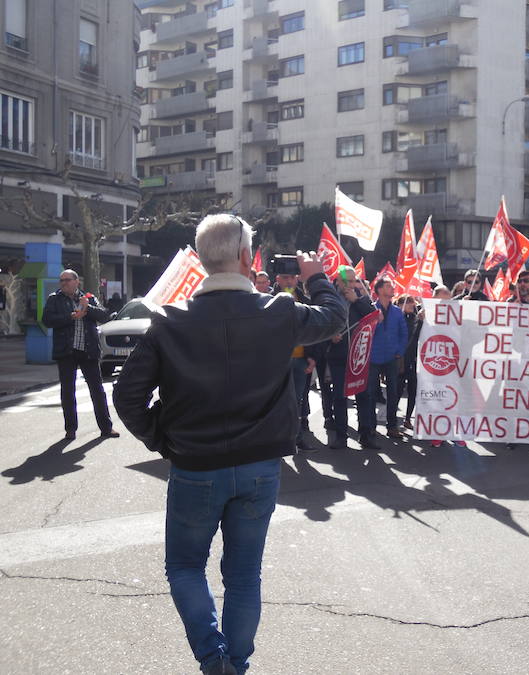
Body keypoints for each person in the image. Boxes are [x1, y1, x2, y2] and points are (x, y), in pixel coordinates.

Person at [113, 215, 345, 675]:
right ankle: (233, 665)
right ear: (245, 257)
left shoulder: (170, 320)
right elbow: (336, 318)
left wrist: (163, 437)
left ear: (201, 259)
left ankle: (212, 659)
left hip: (195, 466)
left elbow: (127, 396)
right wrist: (315, 276)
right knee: (242, 576)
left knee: (184, 567)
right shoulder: (278, 311)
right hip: (260, 467)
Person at [41, 269, 119, 440]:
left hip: (88, 350)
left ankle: (106, 428)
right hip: (66, 351)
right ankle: (70, 429)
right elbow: (47, 320)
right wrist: (71, 316)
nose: (64, 283)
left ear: (77, 282)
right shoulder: (54, 299)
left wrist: (87, 308)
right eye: (61, 280)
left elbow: (104, 316)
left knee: (97, 390)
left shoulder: (88, 297)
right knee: (68, 391)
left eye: (67, 280)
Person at [323, 266, 378, 449]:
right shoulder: (329, 299)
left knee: (363, 394)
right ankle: (341, 436)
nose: (350, 284)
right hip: (338, 356)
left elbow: (374, 318)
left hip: (359, 356)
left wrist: (356, 301)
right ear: (337, 281)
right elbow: (320, 322)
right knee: (339, 397)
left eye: (353, 280)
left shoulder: (362, 298)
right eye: (346, 280)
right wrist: (330, 335)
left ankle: (365, 434)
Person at [272, 271, 319, 450]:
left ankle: (297, 438)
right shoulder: (266, 301)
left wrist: (312, 357)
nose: (289, 281)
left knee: (297, 401)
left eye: (292, 277)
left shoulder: (305, 301)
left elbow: (314, 330)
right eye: (284, 277)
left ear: (297, 279)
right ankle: (277, 440)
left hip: (301, 359)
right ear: (277, 279)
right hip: (278, 361)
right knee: (277, 401)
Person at [361, 278, 408, 443]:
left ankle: (392, 425)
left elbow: (404, 334)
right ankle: (371, 426)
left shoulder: (397, 311)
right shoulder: (371, 309)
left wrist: (399, 351)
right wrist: (377, 322)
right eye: (388, 286)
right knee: (371, 393)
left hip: (391, 357)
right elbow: (365, 332)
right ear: (379, 290)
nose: (392, 288)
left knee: (393, 392)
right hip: (373, 357)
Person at [398, 294, 423, 429]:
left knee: (413, 391)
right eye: (407, 303)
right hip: (401, 360)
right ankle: (393, 420)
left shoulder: (416, 318)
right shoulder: (398, 319)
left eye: (412, 303)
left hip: (414, 360)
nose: (411, 305)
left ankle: (408, 419)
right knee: (397, 390)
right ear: (400, 304)